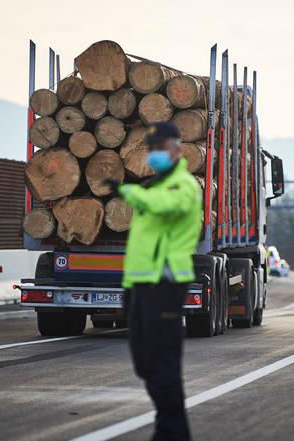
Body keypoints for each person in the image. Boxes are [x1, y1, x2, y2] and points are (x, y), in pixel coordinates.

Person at [112, 121, 201, 441]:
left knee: (162, 362)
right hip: (140, 284)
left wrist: (129, 191)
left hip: (164, 285)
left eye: (161, 148)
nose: (155, 154)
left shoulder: (183, 186)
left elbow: (167, 207)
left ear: (177, 150)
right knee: (144, 362)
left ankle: (172, 433)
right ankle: (171, 429)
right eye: (152, 149)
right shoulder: (155, 185)